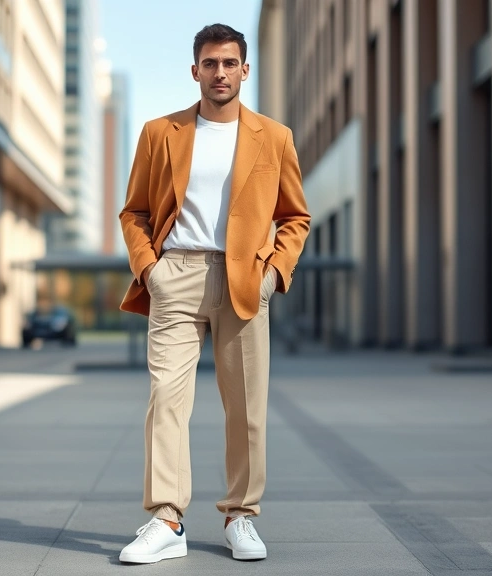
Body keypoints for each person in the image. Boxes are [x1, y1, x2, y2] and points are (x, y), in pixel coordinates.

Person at [117, 23, 310, 564]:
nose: (219, 72)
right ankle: (167, 519)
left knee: (245, 407)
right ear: (194, 69)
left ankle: (241, 516)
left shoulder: (274, 137)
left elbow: (295, 217)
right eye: (210, 63)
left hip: (246, 279)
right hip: (175, 274)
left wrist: (274, 274)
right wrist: (150, 269)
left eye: (229, 63)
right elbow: (135, 212)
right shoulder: (161, 132)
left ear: (245, 70)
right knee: (166, 400)